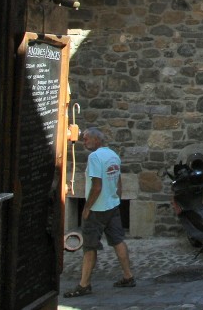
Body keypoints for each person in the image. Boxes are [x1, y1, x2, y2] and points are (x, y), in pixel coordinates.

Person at [63, 127, 135, 298]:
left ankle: (84, 284)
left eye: (86, 138)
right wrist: (117, 198)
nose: (84, 141)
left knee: (89, 246)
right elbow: (118, 180)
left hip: (97, 208)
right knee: (118, 240)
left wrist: (86, 208)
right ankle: (128, 276)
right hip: (112, 205)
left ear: (96, 140)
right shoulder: (113, 155)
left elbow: (97, 186)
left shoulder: (94, 157)